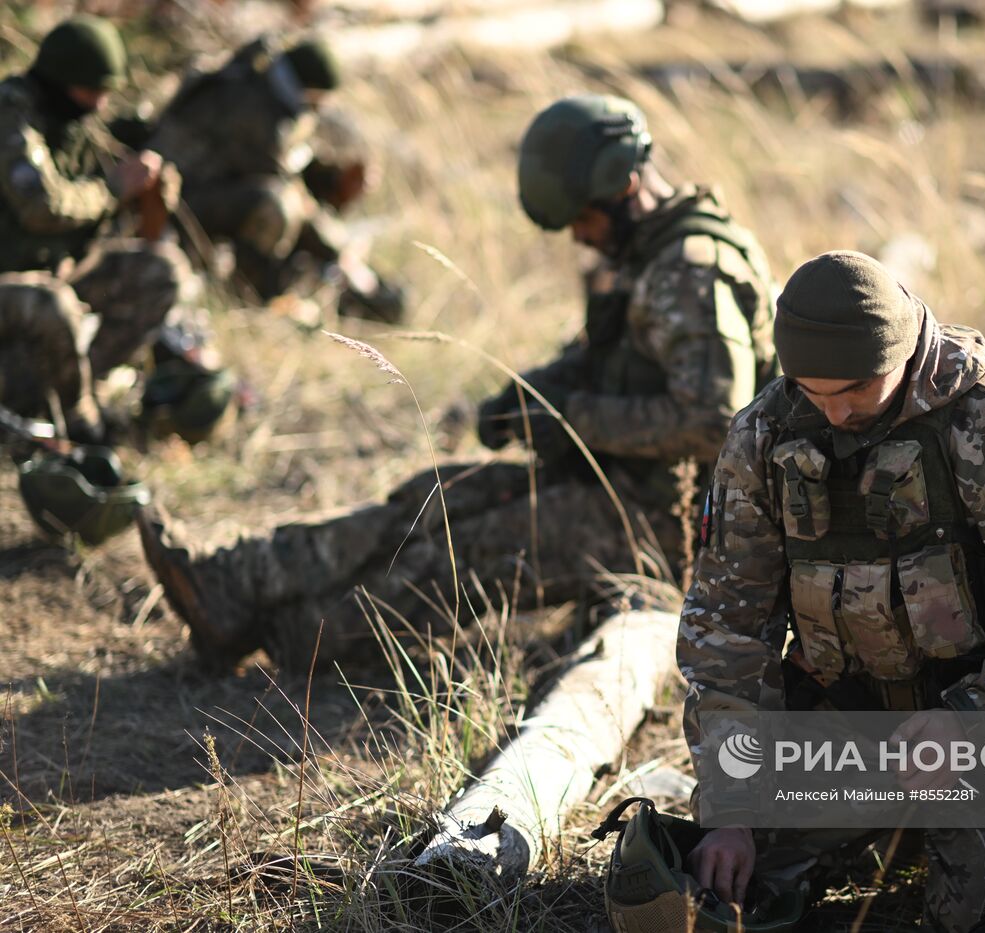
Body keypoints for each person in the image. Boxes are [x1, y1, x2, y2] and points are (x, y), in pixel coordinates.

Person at [138, 93, 778, 671]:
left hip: (671, 523)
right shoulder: (644, 254)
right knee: (431, 496)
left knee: (459, 555)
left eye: (584, 218)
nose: (579, 236)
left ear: (626, 187)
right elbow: (606, 355)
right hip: (616, 481)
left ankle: (295, 637)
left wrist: (566, 416)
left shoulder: (694, 272)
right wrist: (526, 396)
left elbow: (710, 422)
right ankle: (233, 583)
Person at [677, 251, 985, 930]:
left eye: (857, 390)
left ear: (900, 353)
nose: (835, 414)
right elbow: (726, 631)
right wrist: (730, 809)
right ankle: (892, 829)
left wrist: (970, 717)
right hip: (856, 723)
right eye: (814, 391)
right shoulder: (766, 435)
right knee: (716, 886)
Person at [0, 15, 197, 444]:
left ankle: (55, 395)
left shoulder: (79, 123)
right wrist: (114, 188)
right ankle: (80, 426)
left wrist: (153, 187)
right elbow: (41, 206)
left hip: (55, 276)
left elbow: (128, 217)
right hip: (15, 290)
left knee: (162, 272)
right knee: (52, 304)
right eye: (92, 92)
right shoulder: (11, 113)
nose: (100, 105)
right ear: (58, 81)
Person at [147, 35, 404, 322]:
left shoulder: (266, 90)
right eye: (317, 99)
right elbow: (285, 183)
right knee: (276, 206)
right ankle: (248, 298)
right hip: (176, 204)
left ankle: (353, 288)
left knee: (287, 206)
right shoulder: (250, 103)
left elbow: (293, 163)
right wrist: (339, 252)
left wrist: (334, 179)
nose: (318, 108)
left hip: (205, 191)